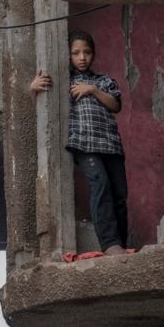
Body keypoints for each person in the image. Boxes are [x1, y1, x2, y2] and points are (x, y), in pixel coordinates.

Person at [29, 30, 129, 256]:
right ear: (68, 56)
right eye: (76, 53)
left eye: (87, 52)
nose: (82, 57)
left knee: (119, 194)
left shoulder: (104, 81)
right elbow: (44, 105)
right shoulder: (66, 82)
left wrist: (93, 90)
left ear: (93, 55)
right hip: (84, 144)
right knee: (100, 186)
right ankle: (110, 244)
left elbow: (115, 106)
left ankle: (121, 244)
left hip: (111, 144)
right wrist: (32, 89)